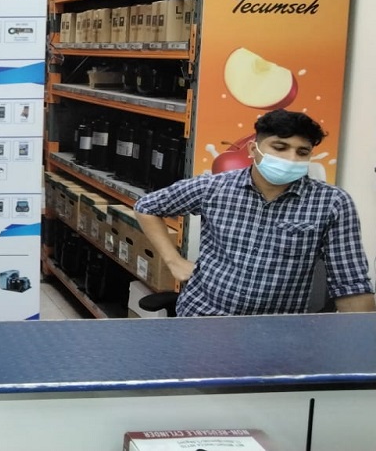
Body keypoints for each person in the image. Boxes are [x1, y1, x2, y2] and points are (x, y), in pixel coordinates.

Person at [134, 109, 374, 316]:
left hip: (276, 330)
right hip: (203, 315)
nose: (291, 158)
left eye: (302, 152)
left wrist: (362, 344)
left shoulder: (331, 203)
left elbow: (350, 283)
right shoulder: (214, 187)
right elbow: (147, 207)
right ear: (253, 149)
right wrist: (173, 261)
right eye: (280, 147)